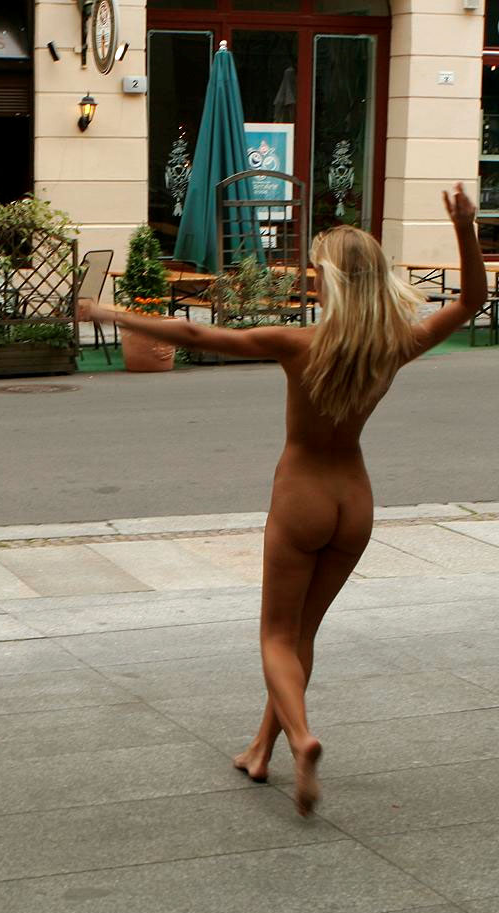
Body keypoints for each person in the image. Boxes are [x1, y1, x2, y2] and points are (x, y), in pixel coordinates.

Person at [79, 184, 487, 816]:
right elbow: (471, 302)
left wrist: (114, 316)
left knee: (275, 635)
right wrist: (464, 227)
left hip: (302, 498)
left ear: (330, 284)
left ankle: (301, 739)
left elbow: (192, 332)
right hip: (355, 501)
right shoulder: (396, 343)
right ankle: (261, 749)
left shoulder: (299, 344)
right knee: (304, 635)